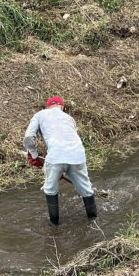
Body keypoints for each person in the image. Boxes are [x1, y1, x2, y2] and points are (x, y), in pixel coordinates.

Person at [23, 96, 97, 225]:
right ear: (62, 107)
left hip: (56, 156)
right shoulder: (69, 118)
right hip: (78, 155)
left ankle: (54, 228)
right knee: (87, 190)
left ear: (48, 107)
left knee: (50, 190)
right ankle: (94, 222)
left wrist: (34, 156)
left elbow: (29, 137)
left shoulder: (40, 115)